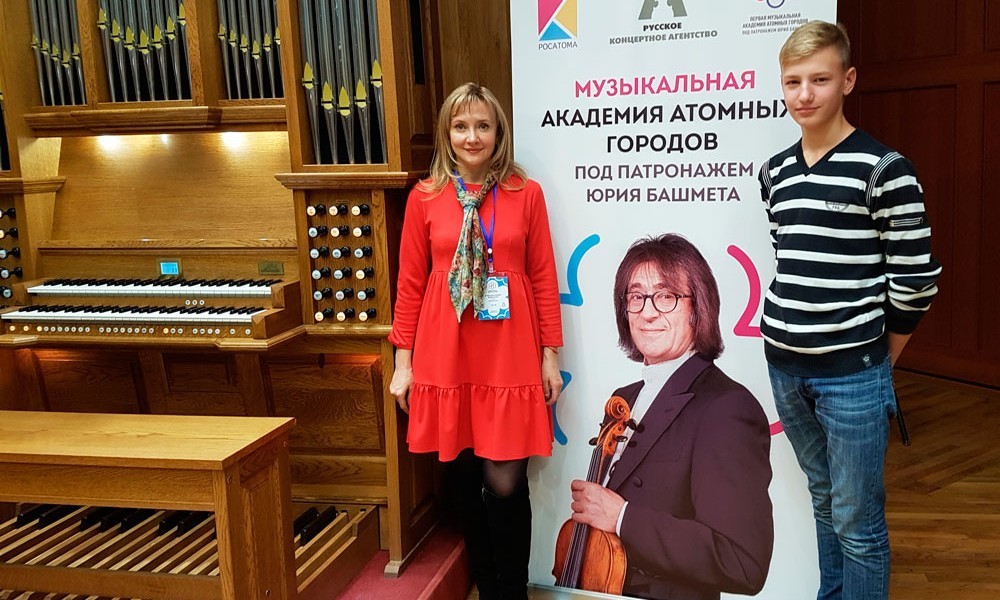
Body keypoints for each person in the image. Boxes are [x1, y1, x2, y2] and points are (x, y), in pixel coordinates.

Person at [758, 21, 942, 600]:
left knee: (858, 523)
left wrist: (879, 359)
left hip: (854, 374)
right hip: (784, 366)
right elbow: (791, 254)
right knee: (823, 499)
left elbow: (916, 280)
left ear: (848, 80)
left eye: (820, 79)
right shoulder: (775, 171)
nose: (804, 94)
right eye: (793, 81)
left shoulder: (885, 169)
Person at [388, 82, 563, 600]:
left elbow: (544, 277)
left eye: (482, 125)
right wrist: (403, 363)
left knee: (506, 483)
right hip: (446, 351)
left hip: (508, 351)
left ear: (498, 132)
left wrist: (549, 356)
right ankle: (487, 589)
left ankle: (512, 592)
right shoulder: (424, 197)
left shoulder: (525, 193)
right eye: (461, 126)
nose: (472, 136)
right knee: (463, 480)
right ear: (446, 133)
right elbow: (410, 284)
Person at [565, 234, 773, 600]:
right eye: (636, 297)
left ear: (697, 308)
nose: (648, 312)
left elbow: (743, 563)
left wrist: (623, 518)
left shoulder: (727, 407)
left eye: (666, 296)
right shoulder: (625, 398)